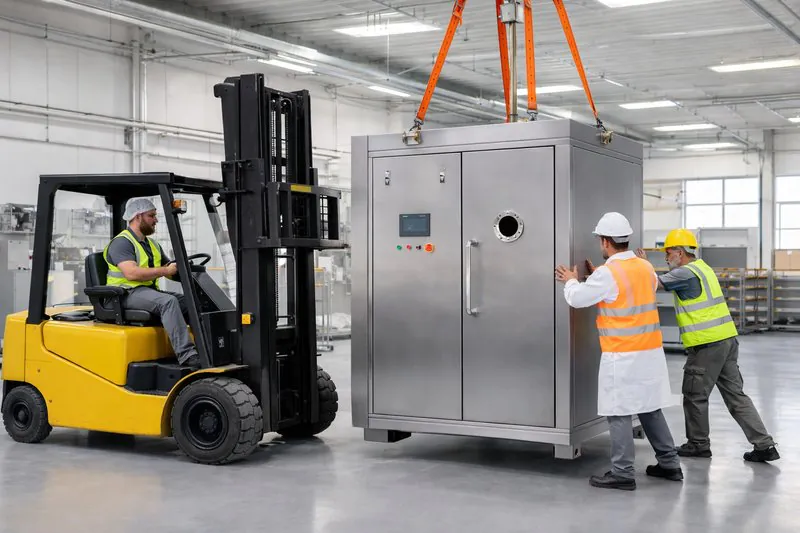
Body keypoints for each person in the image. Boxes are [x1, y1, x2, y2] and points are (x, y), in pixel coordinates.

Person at [555, 212, 682, 491]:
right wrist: (596, 277)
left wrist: (571, 280)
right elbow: (629, 290)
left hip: (623, 354)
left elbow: (577, 299)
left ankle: (623, 473)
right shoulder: (645, 268)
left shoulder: (608, 273)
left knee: (619, 412)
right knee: (650, 408)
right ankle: (670, 464)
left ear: (605, 241)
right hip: (650, 352)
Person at [635, 229, 779, 462]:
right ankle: (764, 445)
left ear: (680, 252)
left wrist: (642, 265)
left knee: (694, 395)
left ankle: (698, 444)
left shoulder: (685, 273)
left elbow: (653, 283)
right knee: (736, 396)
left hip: (707, 344)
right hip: (727, 340)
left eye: (668, 252)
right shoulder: (704, 268)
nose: (666, 257)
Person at [103, 198, 200, 369]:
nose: (156, 220)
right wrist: (165, 271)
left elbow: (168, 268)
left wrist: (185, 271)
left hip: (145, 292)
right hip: (123, 294)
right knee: (168, 302)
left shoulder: (152, 244)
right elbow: (131, 273)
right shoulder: (122, 242)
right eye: (152, 216)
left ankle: (206, 347)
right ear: (138, 217)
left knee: (191, 301)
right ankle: (187, 356)